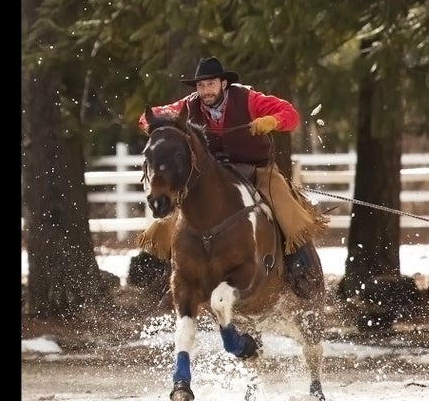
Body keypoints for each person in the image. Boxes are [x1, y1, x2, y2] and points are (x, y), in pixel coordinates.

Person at [136, 56, 329, 293]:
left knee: (283, 203)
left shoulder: (249, 99)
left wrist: (271, 121)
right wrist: (153, 124)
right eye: (200, 85)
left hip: (255, 168)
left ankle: (303, 267)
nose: (205, 91)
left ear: (223, 84)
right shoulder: (189, 105)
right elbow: (152, 115)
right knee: (172, 215)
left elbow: (290, 114)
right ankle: (170, 271)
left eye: (211, 84)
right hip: (211, 174)